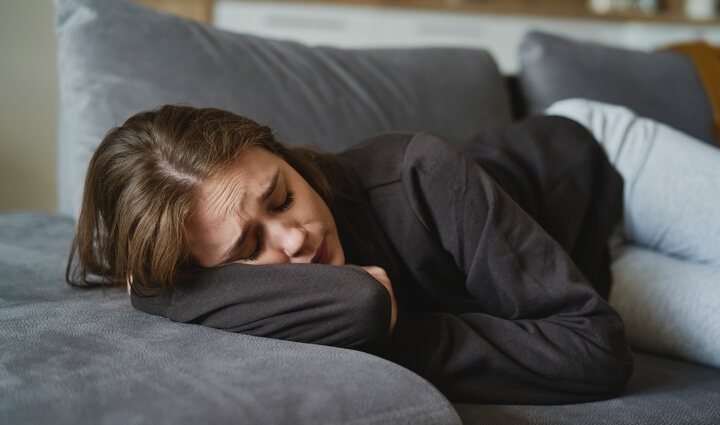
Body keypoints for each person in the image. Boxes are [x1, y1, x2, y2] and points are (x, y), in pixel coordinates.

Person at [66, 103, 635, 404]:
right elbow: (361, 301)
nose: (295, 239)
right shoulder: (200, 266)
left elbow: (597, 349)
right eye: (249, 247)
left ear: (282, 154)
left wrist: (399, 334)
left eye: (283, 197)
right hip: (592, 261)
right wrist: (159, 289)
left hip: (606, 160)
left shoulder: (417, 173)